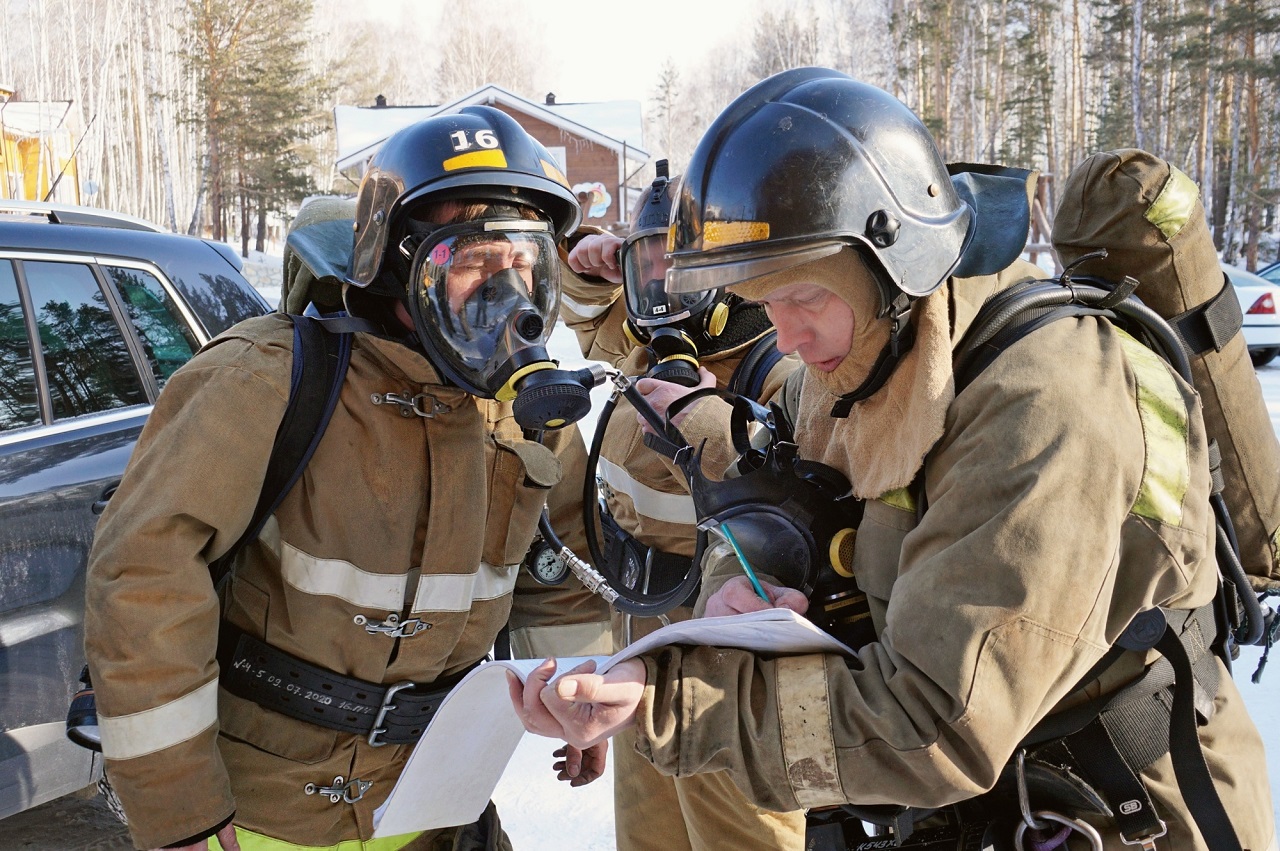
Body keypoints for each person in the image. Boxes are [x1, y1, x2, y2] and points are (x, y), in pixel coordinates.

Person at [512, 69, 1277, 850]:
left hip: (1126, 815)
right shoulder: (851, 364)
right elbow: (762, 501)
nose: (787, 336)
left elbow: (937, 722)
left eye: (804, 297)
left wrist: (667, 699)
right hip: (989, 814)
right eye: (766, 302)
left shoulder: (1046, 405)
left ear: (889, 257)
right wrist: (738, 579)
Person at [84, 106, 610, 851]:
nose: (509, 300)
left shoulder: (528, 409)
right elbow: (143, 582)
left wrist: (578, 691)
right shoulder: (261, 381)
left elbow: (560, 573)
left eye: (524, 266)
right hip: (264, 818)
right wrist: (179, 809)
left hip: (436, 805)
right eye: (473, 264)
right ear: (397, 264)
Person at [558, 161, 806, 851]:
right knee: (649, 832)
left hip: (731, 661)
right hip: (641, 631)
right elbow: (581, 312)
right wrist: (588, 266)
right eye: (648, 270)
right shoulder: (648, 352)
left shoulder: (780, 367)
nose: (663, 292)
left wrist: (707, 419)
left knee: (737, 829)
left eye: (682, 269)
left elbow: (791, 503)